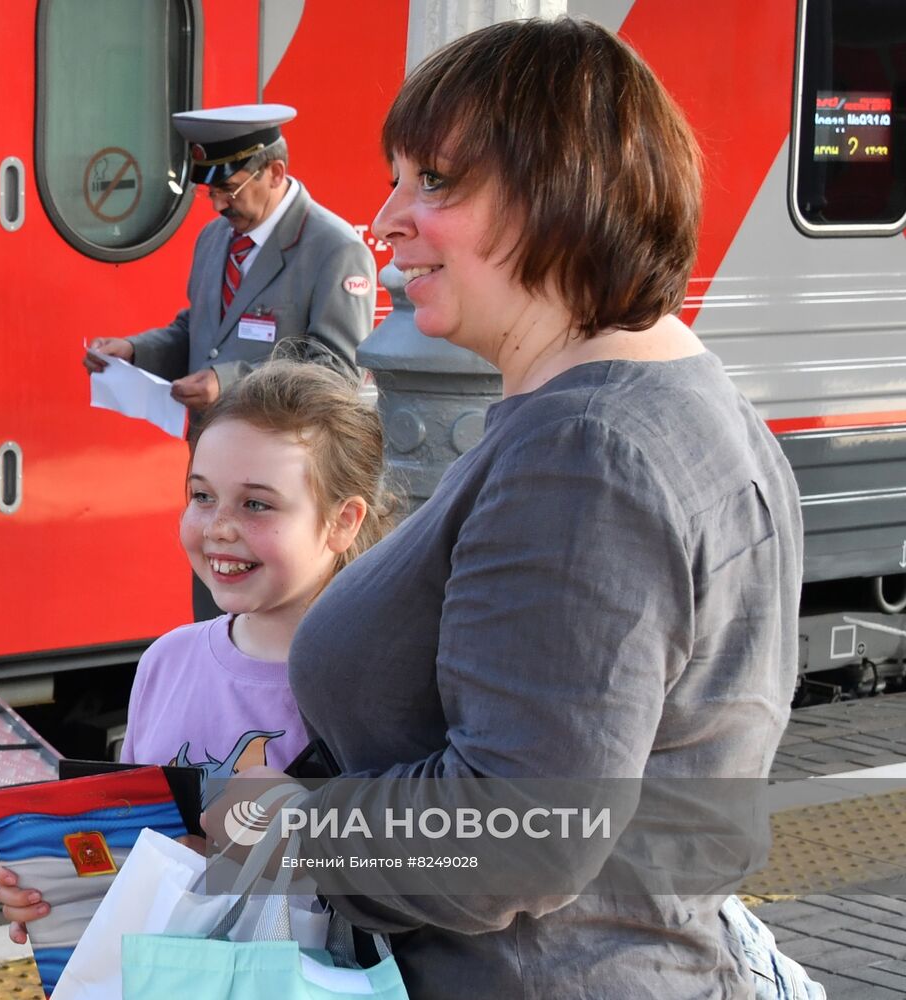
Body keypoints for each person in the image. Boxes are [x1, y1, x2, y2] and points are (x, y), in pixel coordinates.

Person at [205, 18, 820, 1000]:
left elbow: (522, 833)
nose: (387, 218)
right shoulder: (698, 406)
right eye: (398, 177)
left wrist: (277, 822)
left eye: (435, 181)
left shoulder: (585, 455)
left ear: (561, 194)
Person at [0, 360, 398, 945]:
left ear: (342, 521)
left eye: (257, 505)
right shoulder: (167, 661)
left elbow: (439, 869)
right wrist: (55, 892)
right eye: (202, 496)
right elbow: (127, 851)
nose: (220, 528)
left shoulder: (380, 683)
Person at [82, 104, 376, 416]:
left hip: (279, 456)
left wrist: (230, 383)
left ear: (275, 173)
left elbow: (337, 373)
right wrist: (136, 352)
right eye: (209, 191)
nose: (217, 205)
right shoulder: (213, 237)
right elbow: (201, 332)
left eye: (230, 189)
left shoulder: (337, 250)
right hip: (210, 449)